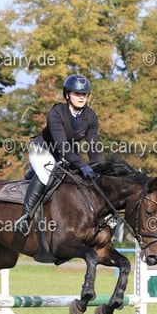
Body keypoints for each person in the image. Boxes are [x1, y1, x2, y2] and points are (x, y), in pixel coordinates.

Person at [15, 74, 103, 237]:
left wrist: (99, 167)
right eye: (77, 93)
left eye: (84, 94)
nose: (81, 97)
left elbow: (93, 146)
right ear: (68, 95)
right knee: (46, 173)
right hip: (44, 150)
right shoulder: (56, 112)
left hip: (67, 154)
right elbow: (62, 146)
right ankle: (25, 217)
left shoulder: (90, 116)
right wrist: (82, 164)